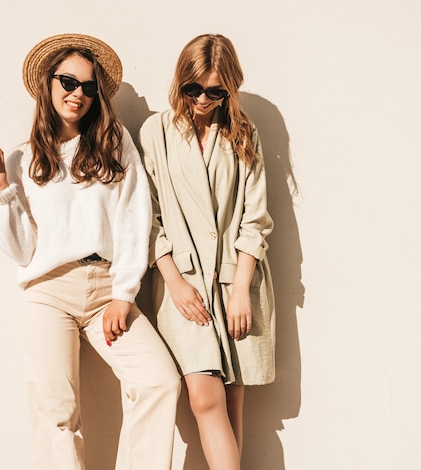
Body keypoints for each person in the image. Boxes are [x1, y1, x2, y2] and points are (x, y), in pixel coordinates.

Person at [0, 33, 181, 470]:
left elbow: (134, 217)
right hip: (48, 292)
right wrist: (0, 194)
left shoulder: (113, 143)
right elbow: (22, 252)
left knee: (159, 381)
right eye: (68, 82)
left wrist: (124, 293)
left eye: (88, 86)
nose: (78, 93)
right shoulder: (21, 160)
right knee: (56, 414)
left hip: (106, 290)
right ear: (48, 85)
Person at [138, 34, 276, 470]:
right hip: (186, 282)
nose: (202, 99)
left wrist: (240, 289)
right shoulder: (156, 131)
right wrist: (174, 282)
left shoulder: (243, 131)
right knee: (204, 396)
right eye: (193, 88)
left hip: (236, 280)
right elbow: (148, 215)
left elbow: (255, 218)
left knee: (233, 401)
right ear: (180, 82)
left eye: (216, 91)